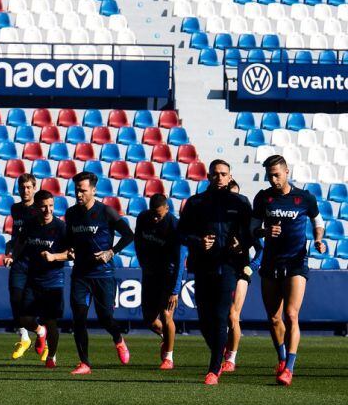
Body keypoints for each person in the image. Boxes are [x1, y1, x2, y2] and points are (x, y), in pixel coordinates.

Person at [251, 155, 326, 386]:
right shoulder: (263, 198)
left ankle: (289, 369)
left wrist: (318, 240)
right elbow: (253, 228)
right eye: (269, 175)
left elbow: (318, 221)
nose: (273, 179)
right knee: (274, 318)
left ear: (287, 172)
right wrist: (264, 232)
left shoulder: (304, 198)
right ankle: (282, 359)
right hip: (271, 263)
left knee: (291, 314)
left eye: (276, 174)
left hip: (296, 262)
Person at [178, 160, 252, 385]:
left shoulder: (240, 203)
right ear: (208, 176)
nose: (220, 177)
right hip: (202, 267)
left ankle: (213, 370)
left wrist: (241, 244)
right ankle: (219, 353)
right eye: (216, 174)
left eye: (224, 174)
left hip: (228, 266)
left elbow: (251, 235)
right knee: (204, 321)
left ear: (230, 177)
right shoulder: (196, 203)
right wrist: (198, 241)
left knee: (221, 317)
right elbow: (181, 234)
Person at [62, 172, 134, 375]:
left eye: (83, 190)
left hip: (103, 274)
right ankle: (84, 363)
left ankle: (118, 338)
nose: (79, 194)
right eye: (76, 190)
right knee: (78, 318)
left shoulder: (106, 212)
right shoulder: (71, 213)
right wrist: (69, 250)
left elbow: (129, 235)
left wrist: (110, 252)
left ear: (93, 190)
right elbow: (69, 239)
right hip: (80, 275)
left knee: (105, 318)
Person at [10, 190, 69, 368]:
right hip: (33, 278)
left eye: (51, 206)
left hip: (53, 280)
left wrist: (54, 257)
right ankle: (39, 331)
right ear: (36, 207)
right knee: (23, 318)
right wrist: (13, 256)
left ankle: (51, 356)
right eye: (44, 206)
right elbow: (20, 242)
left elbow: (71, 254)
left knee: (51, 321)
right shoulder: (29, 225)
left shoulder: (61, 228)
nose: (48, 210)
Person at [133, 193, 187, 370]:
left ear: (167, 209)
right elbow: (138, 242)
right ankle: (167, 336)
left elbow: (180, 260)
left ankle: (168, 358)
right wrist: (143, 264)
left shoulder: (175, 226)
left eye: (159, 214)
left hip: (168, 276)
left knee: (165, 315)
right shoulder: (143, 218)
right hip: (150, 274)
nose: (155, 218)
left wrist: (175, 290)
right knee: (148, 320)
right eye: (153, 213)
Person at [222, 181, 264, 373]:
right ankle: (223, 349)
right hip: (221, 270)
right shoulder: (219, 224)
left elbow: (261, 249)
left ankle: (231, 358)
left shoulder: (247, 227)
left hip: (240, 271)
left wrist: (251, 267)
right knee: (221, 316)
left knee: (233, 315)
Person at [4, 173, 45, 359]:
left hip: (37, 263)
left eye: (29, 187)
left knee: (35, 305)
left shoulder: (40, 210)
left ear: (34, 188)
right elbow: (16, 234)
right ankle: (25, 336)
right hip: (19, 261)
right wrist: (10, 249)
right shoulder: (16, 209)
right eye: (22, 187)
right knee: (15, 300)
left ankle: (47, 342)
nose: (25, 191)